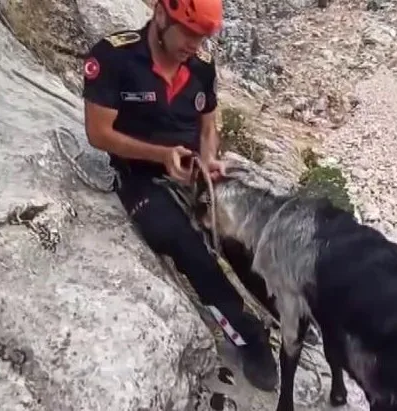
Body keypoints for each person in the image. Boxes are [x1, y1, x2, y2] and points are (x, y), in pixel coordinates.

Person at [80, 0, 279, 391]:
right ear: (160, 15)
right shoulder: (115, 57)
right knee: (182, 240)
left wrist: (208, 162)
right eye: (189, 33)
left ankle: (278, 306)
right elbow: (98, 133)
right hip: (138, 174)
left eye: (203, 37)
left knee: (244, 227)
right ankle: (247, 334)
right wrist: (160, 156)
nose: (195, 45)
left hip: (192, 170)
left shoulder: (201, 71)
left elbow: (207, 129)